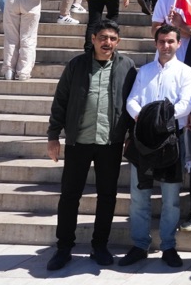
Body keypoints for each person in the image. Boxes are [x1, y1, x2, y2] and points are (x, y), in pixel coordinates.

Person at [46, 19, 137, 271]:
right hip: (80, 141)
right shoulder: (77, 65)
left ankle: (100, 245)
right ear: (93, 39)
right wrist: (53, 136)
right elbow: (60, 100)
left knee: (107, 196)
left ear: (117, 42)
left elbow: (133, 103)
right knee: (69, 196)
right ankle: (64, 247)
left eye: (113, 39)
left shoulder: (127, 66)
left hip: (111, 142)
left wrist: (131, 134)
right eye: (103, 37)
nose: (108, 43)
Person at [119, 24, 191, 269]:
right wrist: (146, 118)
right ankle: (140, 244)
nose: (166, 46)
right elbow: (132, 100)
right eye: (162, 41)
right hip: (144, 141)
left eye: (171, 41)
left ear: (178, 43)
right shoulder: (145, 71)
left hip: (172, 141)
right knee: (139, 197)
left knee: (171, 199)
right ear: (156, 43)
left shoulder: (186, 72)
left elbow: (186, 105)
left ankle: (168, 246)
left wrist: (159, 119)